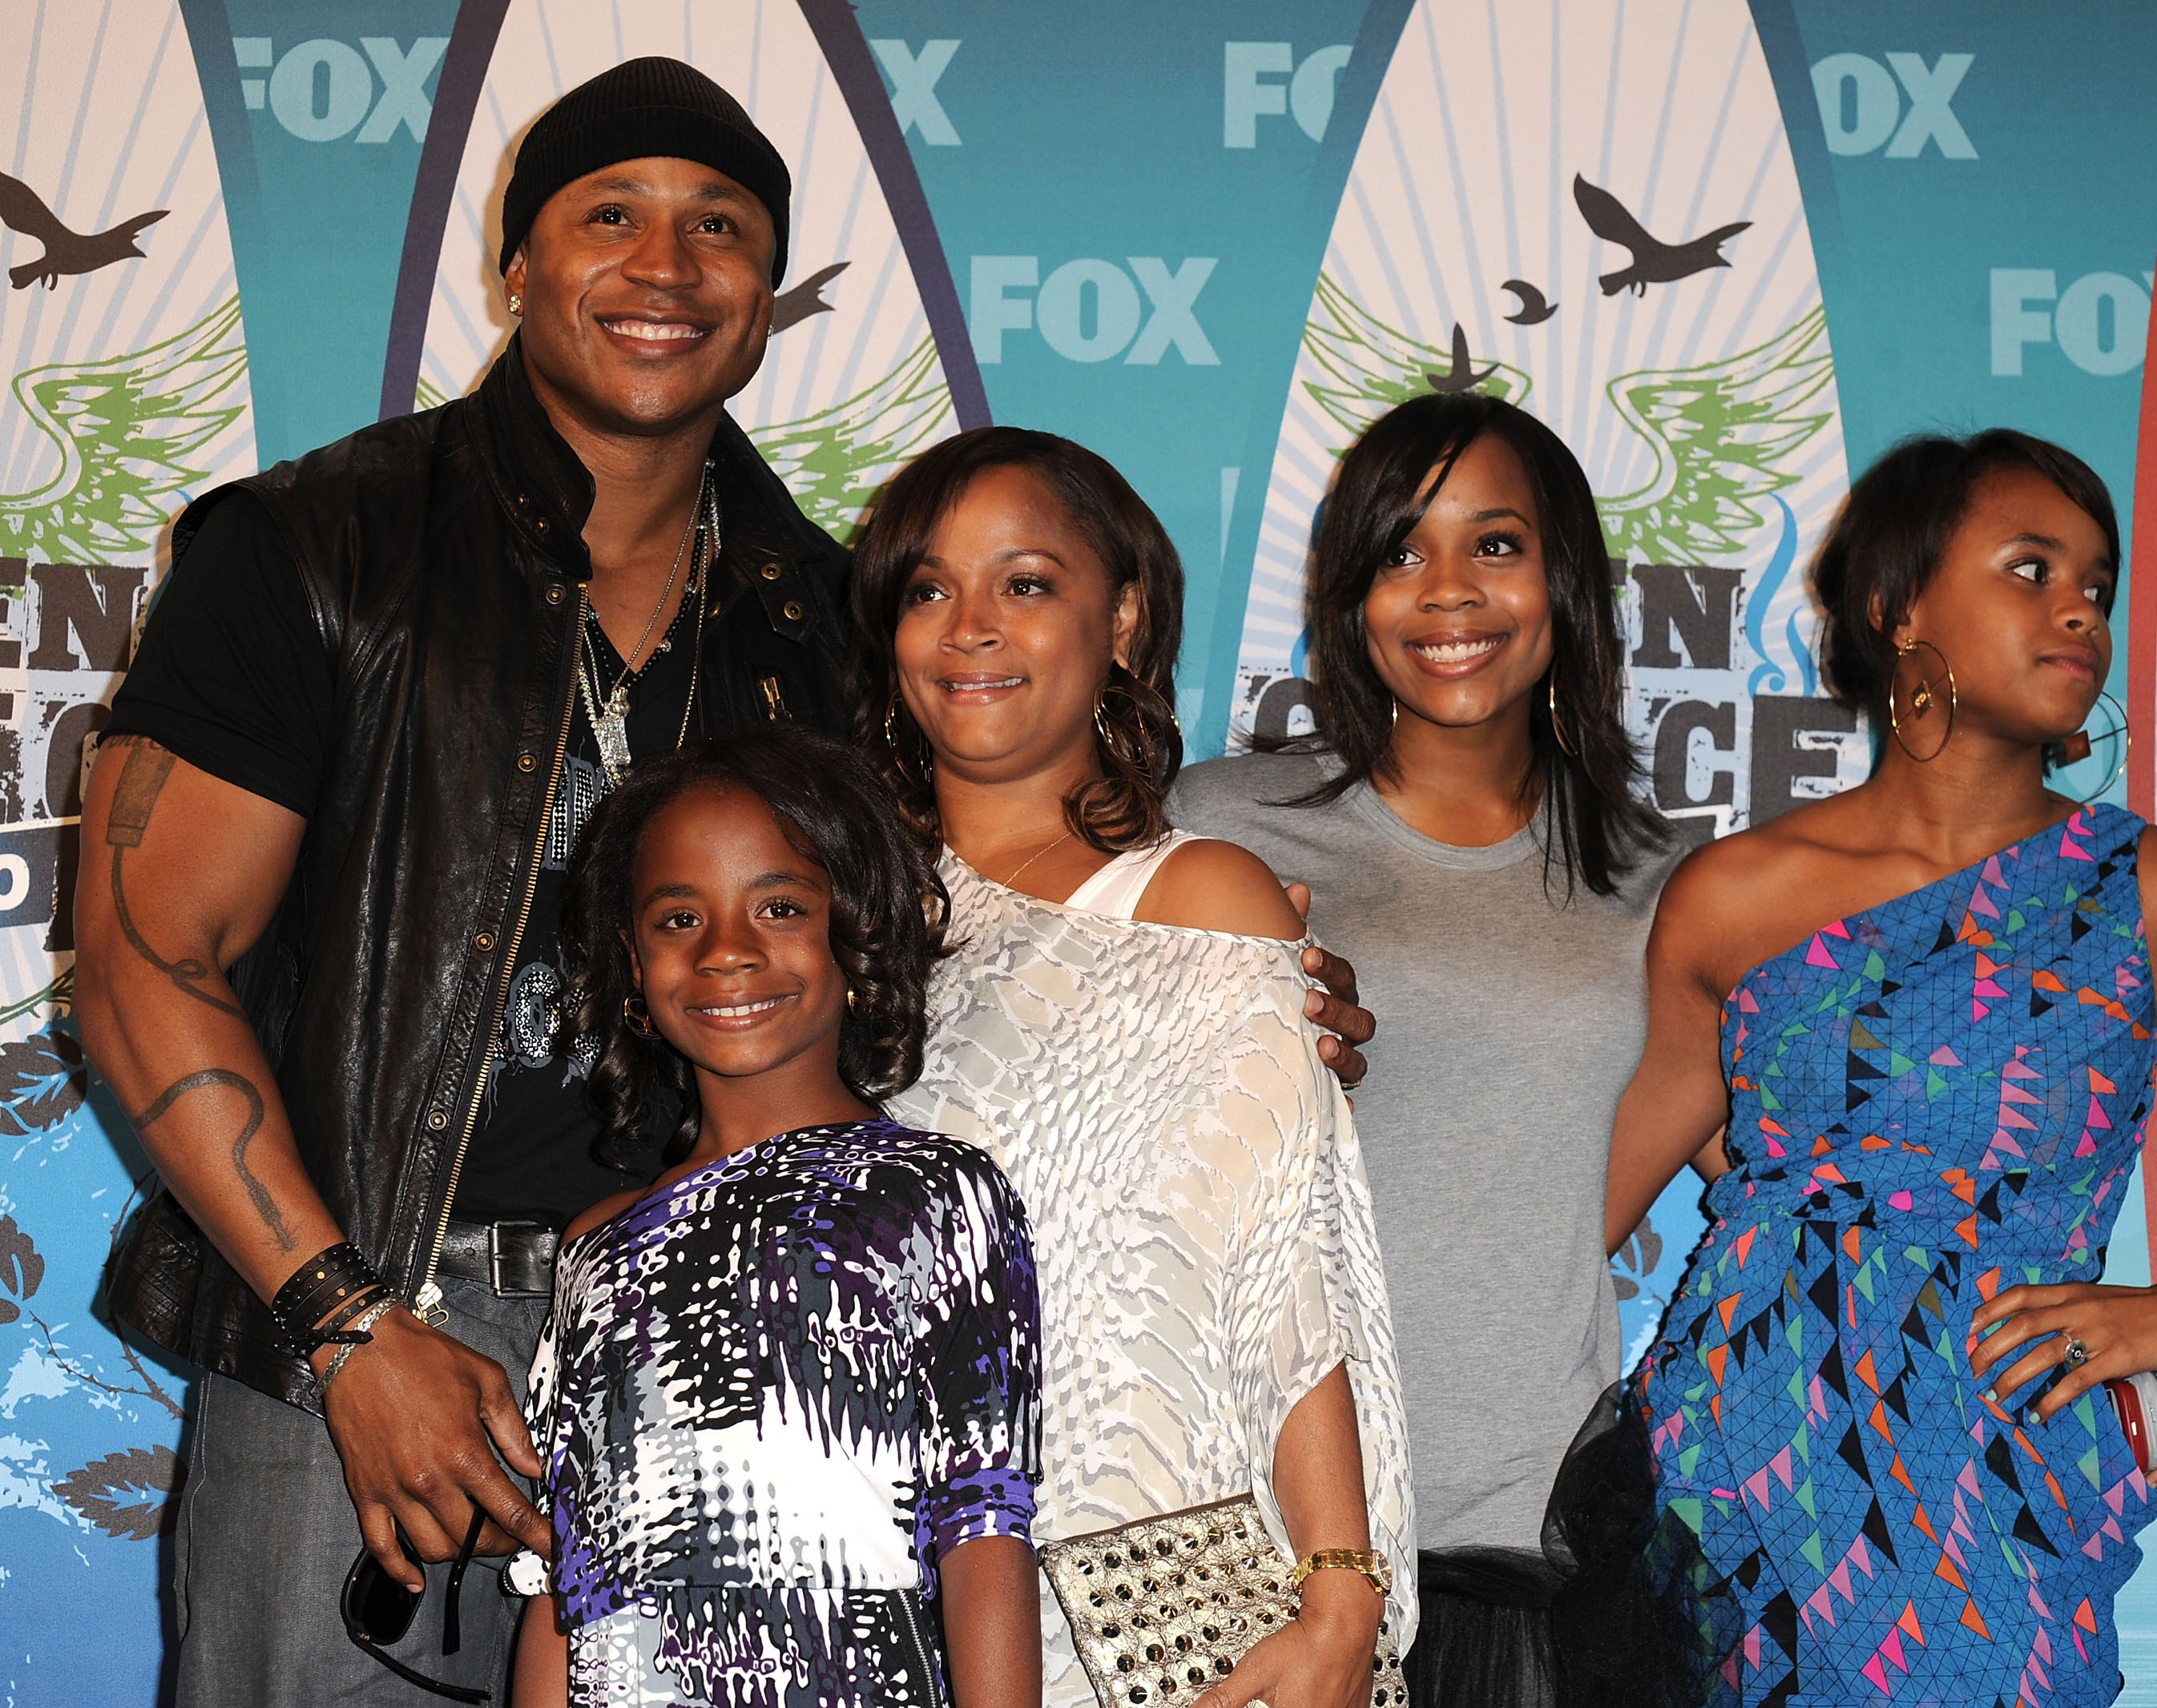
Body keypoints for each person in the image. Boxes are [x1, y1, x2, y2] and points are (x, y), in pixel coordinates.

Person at [82, 58, 858, 1706]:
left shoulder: (823, 613)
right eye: (611, 216)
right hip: (354, 1342)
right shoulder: (316, 548)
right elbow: (151, 959)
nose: (667, 265)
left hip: (712, 1350)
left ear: (770, 297)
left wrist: (1233, 982)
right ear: (516, 262)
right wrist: (350, 1326)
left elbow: (966, 934)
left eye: (720, 226)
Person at [1603, 429, 2157, 1705]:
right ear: (1896, 608)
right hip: (1738, 1455)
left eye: (2096, 581)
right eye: (2030, 570)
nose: (2080, 609)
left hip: (1992, 1447)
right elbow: (1610, 1187)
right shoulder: (1734, 896)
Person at [853, 426, 1415, 1708]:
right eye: (929, 588)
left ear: (1124, 623)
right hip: (880, 1589)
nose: (970, 626)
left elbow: (1288, 1272)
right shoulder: (826, 922)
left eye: (1028, 583)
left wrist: (1341, 1587)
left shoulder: (1203, 897)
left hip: (1157, 1609)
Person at [1171, 393, 1685, 1708]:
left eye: (1495, 544)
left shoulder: (1671, 879)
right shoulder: (1218, 823)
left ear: (1564, 578)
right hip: (1244, 1536)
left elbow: (1824, 1184)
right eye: (1401, 550)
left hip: (1533, 1551)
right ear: (1347, 594)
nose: (1447, 589)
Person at [507, 728, 1042, 1707]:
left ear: (860, 933)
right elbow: (565, 1578)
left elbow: (985, 1523)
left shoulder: (938, 1195)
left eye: (781, 905)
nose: (727, 949)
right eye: (678, 917)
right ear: (631, 963)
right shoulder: (597, 1245)